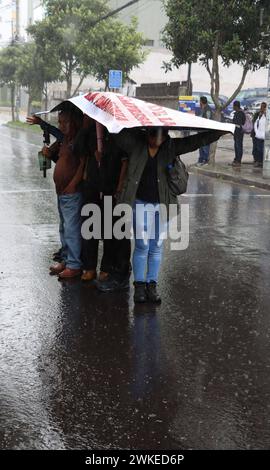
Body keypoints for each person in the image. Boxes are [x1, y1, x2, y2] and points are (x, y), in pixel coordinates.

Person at [115, 127, 228, 304]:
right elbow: (118, 136)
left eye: (161, 137)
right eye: (154, 137)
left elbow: (195, 142)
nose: (157, 141)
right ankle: (139, 286)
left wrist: (218, 132)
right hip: (140, 204)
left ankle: (152, 285)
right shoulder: (135, 145)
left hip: (163, 205)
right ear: (148, 134)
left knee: (156, 246)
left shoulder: (171, 147)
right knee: (142, 246)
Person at [44, 108, 85, 279]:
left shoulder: (78, 141)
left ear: (74, 123)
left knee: (71, 229)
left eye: (64, 122)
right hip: (62, 193)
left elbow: (82, 164)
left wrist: (73, 184)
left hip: (71, 193)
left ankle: (74, 265)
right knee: (64, 228)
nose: (60, 126)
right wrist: (47, 153)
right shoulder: (64, 140)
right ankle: (66, 260)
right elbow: (59, 159)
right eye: (59, 122)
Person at [196, 96, 213, 166]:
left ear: (202, 101)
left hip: (205, 131)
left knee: (205, 146)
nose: (199, 103)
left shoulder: (208, 109)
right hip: (200, 131)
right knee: (201, 146)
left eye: (200, 101)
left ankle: (205, 160)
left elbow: (208, 120)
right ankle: (201, 159)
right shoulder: (202, 109)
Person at [251, 102, 267, 168]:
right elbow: (254, 122)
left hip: (264, 135)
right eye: (261, 107)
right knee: (257, 149)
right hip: (257, 135)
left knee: (262, 149)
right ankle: (258, 161)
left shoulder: (267, 115)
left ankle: (261, 161)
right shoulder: (258, 114)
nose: (261, 108)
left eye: (263, 107)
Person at [231, 101, 246, 167]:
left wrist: (234, 124)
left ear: (236, 106)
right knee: (236, 146)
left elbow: (239, 124)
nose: (233, 107)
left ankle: (238, 160)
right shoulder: (236, 113)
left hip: (239, 133)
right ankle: (236, 158)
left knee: (238, 146)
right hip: (236, 132)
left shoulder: (240, 113)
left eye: (233, 106)